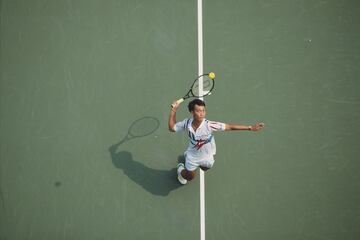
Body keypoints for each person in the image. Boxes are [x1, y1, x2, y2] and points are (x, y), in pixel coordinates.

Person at [168, 98, 265, 184]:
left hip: (207, 155)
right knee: (190, 177)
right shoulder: (186, 124)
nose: (202, 113)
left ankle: (191, 161)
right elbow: (172, 128)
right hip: (193, 155)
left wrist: (250, 128)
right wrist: (174, 110)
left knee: (205, 168)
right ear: (192, 112)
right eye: (198, 111)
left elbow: (230, 127)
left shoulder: (209, 125)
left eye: (203, 110)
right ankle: (180, 168)